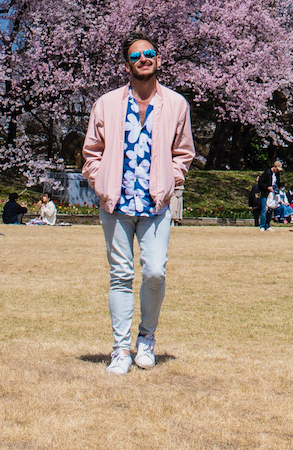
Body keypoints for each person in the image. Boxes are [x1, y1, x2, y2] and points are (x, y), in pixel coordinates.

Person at [81, 34, 195, 375]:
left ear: (158, 60)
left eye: (149, 54)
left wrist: (171, 179)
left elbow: (184, 152)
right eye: (136, 56)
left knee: (155, 271)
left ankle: (146, 338)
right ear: (127, 64)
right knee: (120, 275)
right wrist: (99, 183)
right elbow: (91, 152)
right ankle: (120, 350)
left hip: (156, 205)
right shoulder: (106, 104)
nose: (143, 59)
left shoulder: (176, 104)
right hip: (115, 203)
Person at [254, 160, 283, 231]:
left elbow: (278, 183)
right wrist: (267, 187)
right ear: (274, 167)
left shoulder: (277, 174)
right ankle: (262, 226)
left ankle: (267, 225)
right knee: (264, 209)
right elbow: (260, 183)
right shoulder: (267, 173)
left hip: (273, 194)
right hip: (265, 193)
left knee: (270, 210)